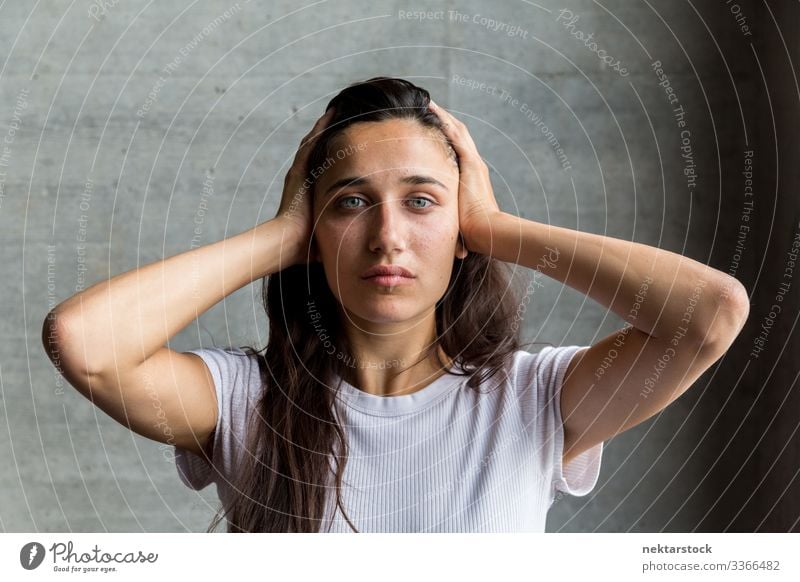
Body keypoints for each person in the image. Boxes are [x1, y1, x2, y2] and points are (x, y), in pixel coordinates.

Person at [42, 77, 750, 533]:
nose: (388, 237)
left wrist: (496, 230)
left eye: (421, 202)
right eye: (352, 202)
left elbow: (711, 313)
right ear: (314, 230)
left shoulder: (534, 398)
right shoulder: (242, 401)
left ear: (461, 227)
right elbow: (83, 341)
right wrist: (283, 235)